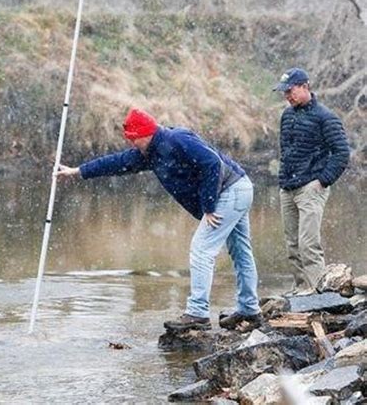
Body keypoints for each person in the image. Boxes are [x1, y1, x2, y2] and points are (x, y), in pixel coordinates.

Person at [56, 108, 262, 329]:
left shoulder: (176, 139)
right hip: (239, 188)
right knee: (240, 251)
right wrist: (77, 171)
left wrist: (209, 205)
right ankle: (249, 310)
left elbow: (212, 163)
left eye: (134, 139)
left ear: (146, 133)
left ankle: (198, 314)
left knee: (202, 250)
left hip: (231, 191)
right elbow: (116, 163)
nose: (132, 144)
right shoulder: (150, 153)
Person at [274, 68, 350, 295]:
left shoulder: (325, 117)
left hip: (311, 187)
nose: (287, 96)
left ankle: (319, 292)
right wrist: (283, 178)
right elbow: (285, 149)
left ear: (305, 86)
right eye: (284, 92)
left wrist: (323, 181)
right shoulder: (287, 115)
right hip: (288, 186)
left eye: (290, 91)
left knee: (309, 244)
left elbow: (342, 153)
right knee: (292, 244)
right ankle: (301, 287)